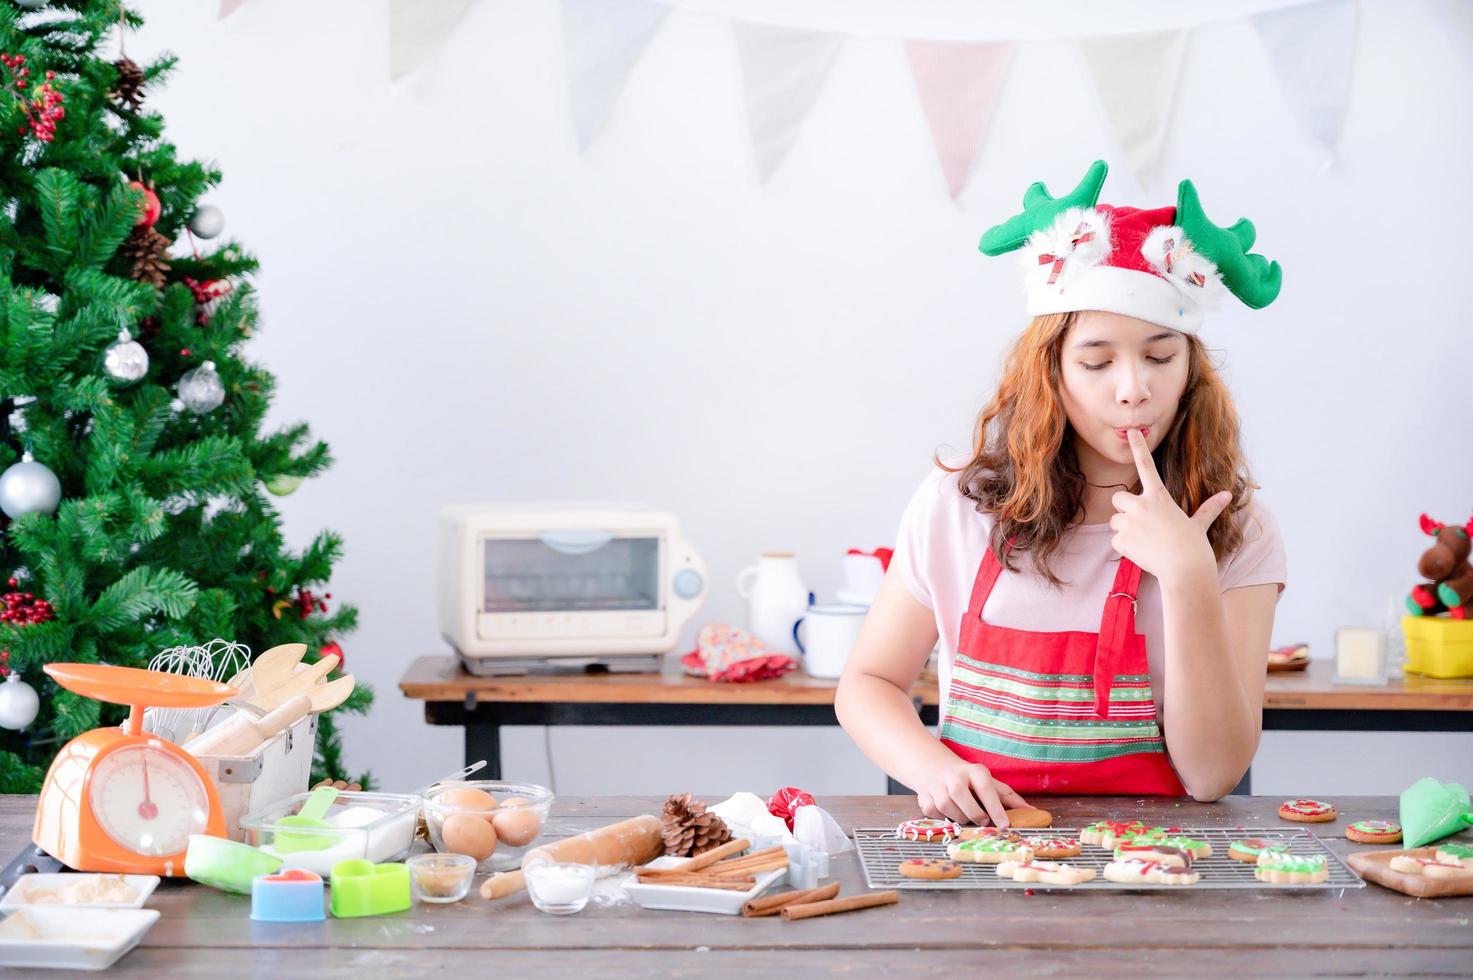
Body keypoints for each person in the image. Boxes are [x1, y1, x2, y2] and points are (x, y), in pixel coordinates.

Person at [836, 160, 1287, 827]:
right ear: (1049, 370)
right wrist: (931, 768)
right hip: (978, 857)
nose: (1132, 388)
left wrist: (1188, 573)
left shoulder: (1237, 527)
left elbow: (1212, 774)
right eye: (1096, 361)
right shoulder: (958, 506)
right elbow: (867, 685)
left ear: (1191, 369)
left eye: (1160, 357)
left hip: (1159, 870)